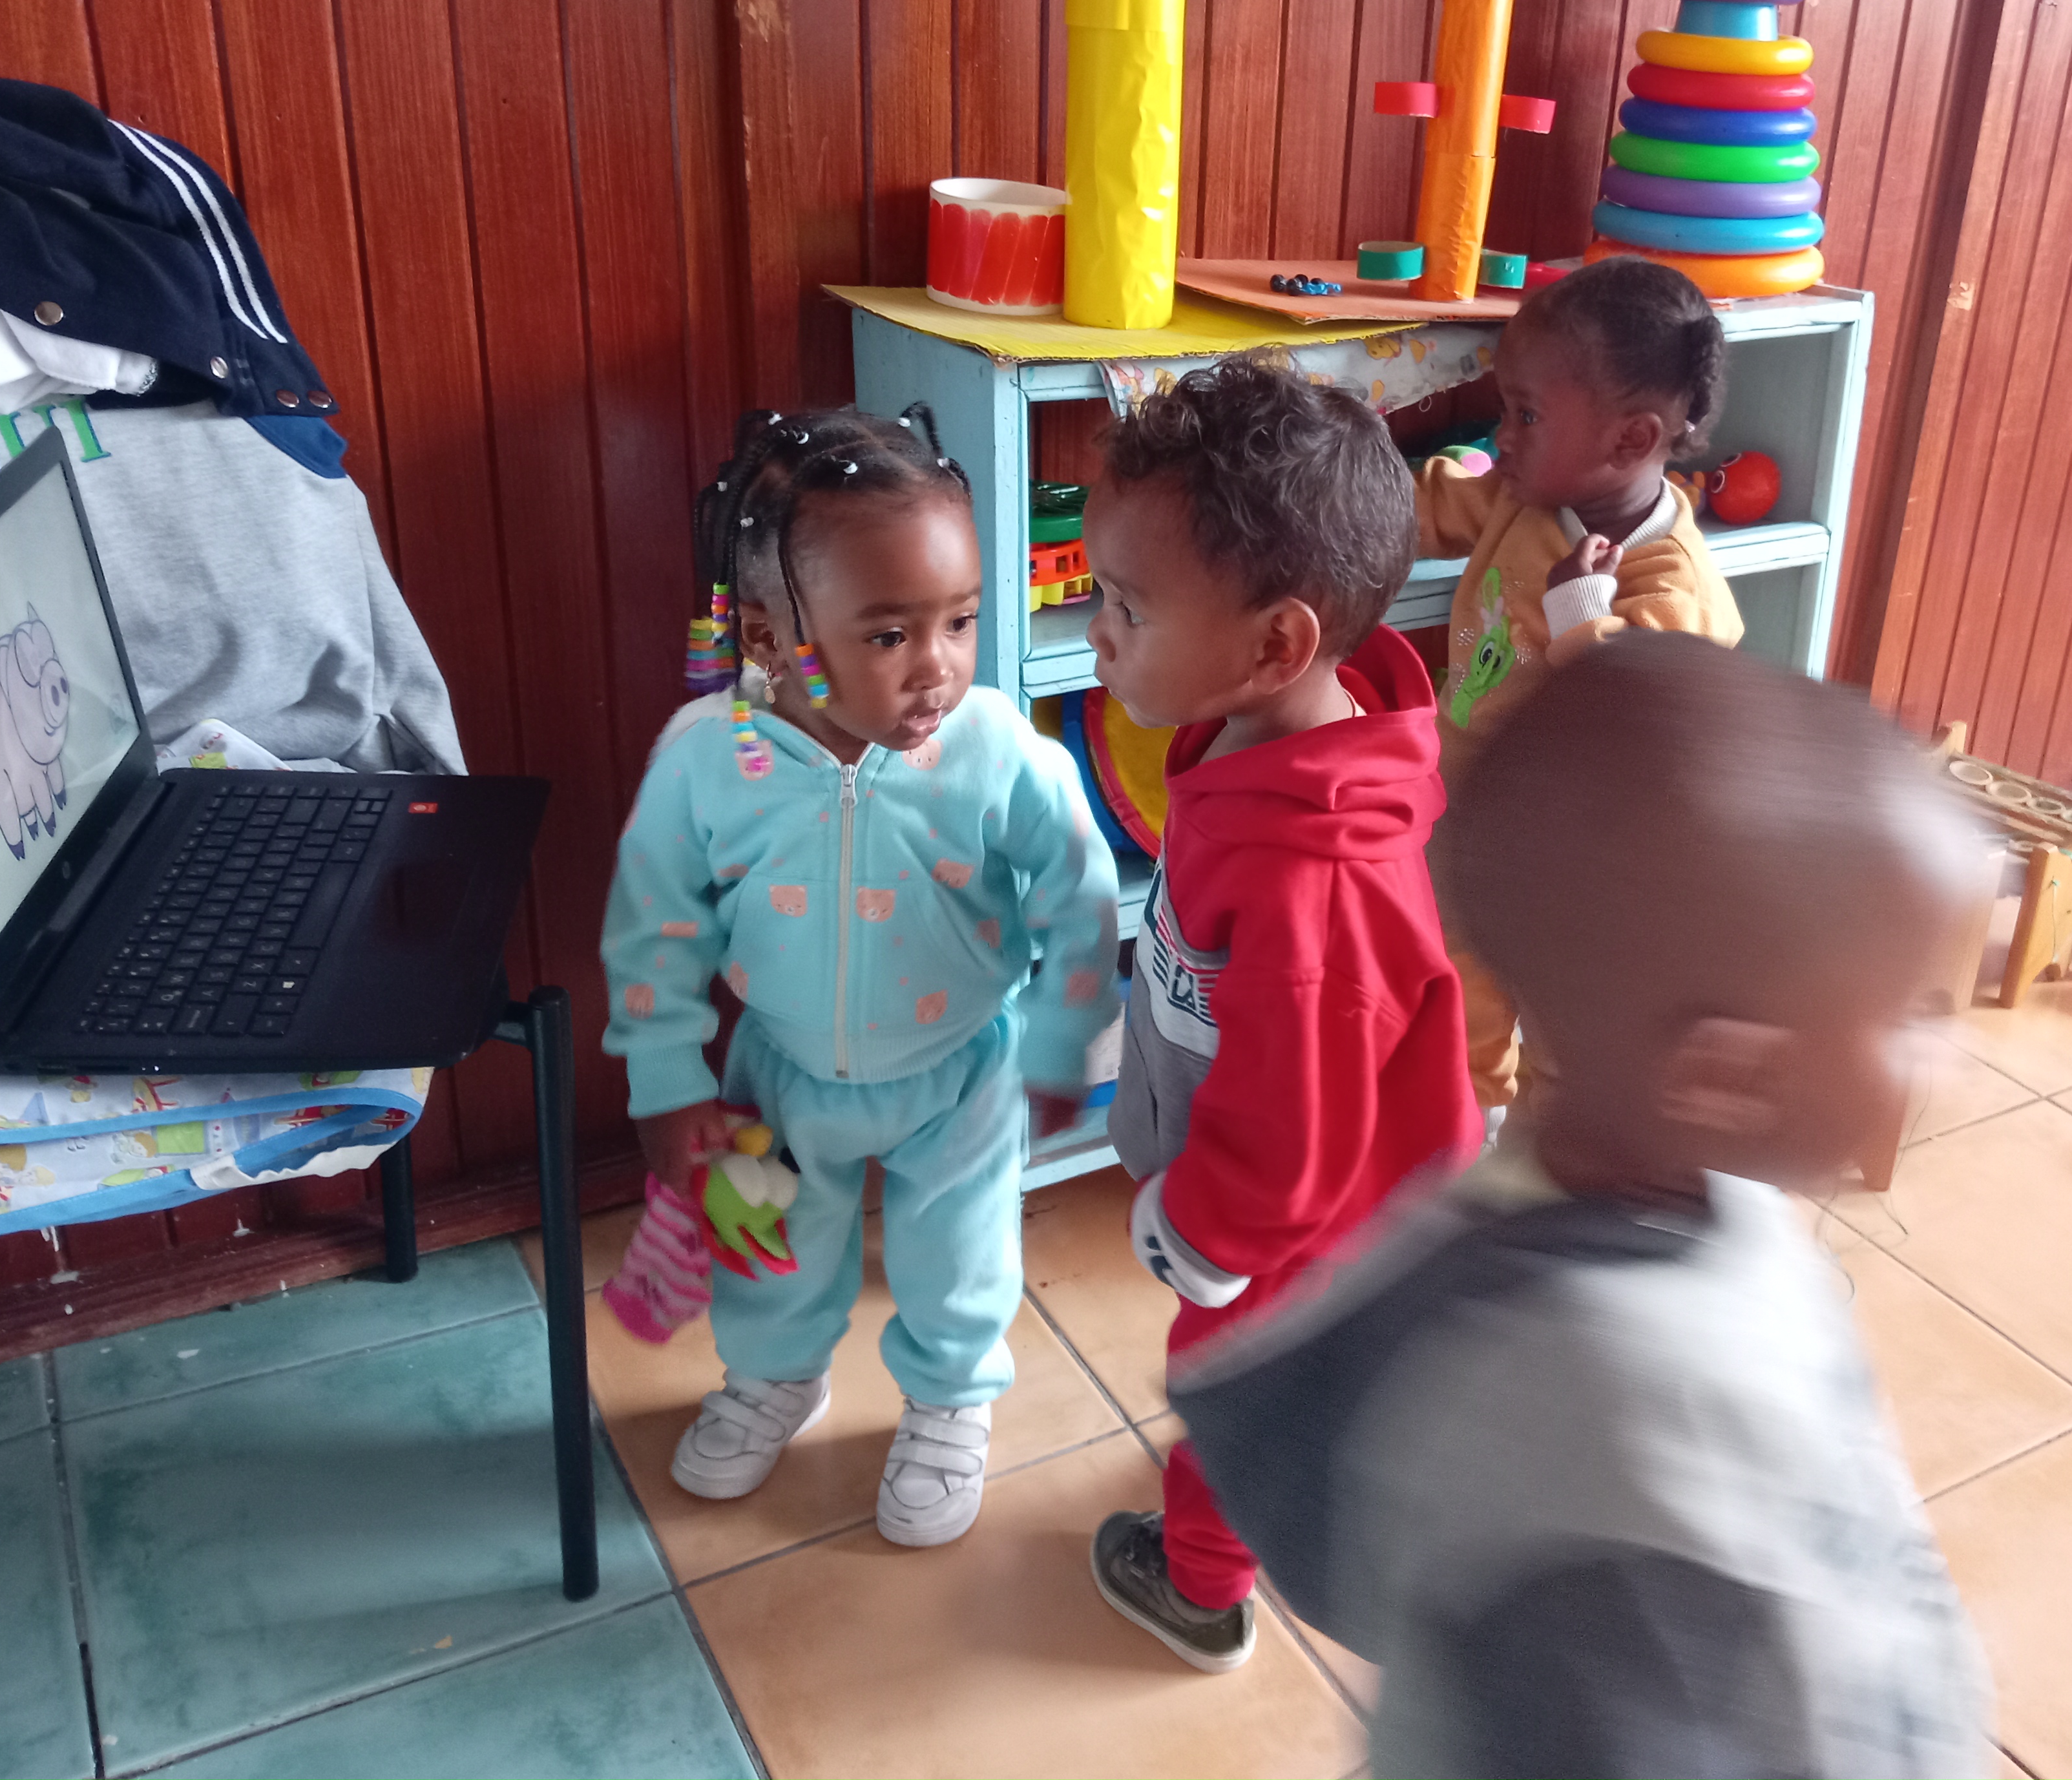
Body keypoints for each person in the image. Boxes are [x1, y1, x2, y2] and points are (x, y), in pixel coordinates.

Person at [1168, 632, 1998, 1779]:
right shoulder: (1608, 1439)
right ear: (1727, 1077)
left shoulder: (1702, 1190)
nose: (1946, 1053)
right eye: (1912, 1011)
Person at [600, 406, 1120, 1545]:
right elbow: (653, 929)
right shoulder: (708, 757)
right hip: (779, 1071)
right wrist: (666, 1084)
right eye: (890, 635)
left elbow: (1077, 892)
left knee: (959, 1258)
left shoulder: (995, 749)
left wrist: (1062, 1036)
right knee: (770, 1250)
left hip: (965, 1068)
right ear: (768, 636)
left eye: (961, 620)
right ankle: (776, 1379)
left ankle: (949, 1401)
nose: (938, 666)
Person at [1076, 355, 1485, 1673]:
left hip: (1315, 1219)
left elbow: (1293, 1131)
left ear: (1275, 646)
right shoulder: (1264, 739)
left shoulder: (1318, 879)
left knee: (1237, 1386)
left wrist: (1207, 1233)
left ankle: (1201, 1589)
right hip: (1313, 1184)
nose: (1097, 633)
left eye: (1127, 608)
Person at [1417, 254, 1745, 1126]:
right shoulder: (1522, 498)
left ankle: (1575, 1144)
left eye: (1525, 415)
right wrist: (1341, 499)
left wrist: (1580, 611)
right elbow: (1433, 505)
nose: (1503, 436)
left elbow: (1633, 702)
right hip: (1468, 810)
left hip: (1584, 857)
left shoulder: (1675, 582)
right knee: (1460, 982)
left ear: (1630, 441)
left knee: (1571, 1016)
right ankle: (1469, 1129)